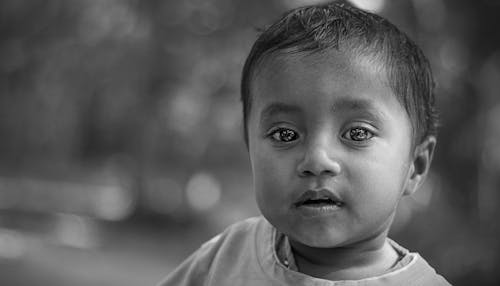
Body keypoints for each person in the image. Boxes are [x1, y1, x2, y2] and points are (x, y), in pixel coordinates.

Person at [158, 1, 451, 285]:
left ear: (415, 165)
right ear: (250, 148)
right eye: (285, 134)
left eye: (357, 133)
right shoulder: (226, 258)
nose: (316, 160)